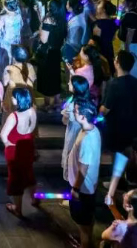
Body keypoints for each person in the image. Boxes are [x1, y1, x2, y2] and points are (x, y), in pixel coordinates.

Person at [102, 50, 137, 207]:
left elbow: (106, 109)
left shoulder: (114, 84)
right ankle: (128, 180)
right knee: (128, 152)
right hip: (132, 125)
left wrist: (99, 111)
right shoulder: (135, 82)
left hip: (115, 125)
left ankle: (116, 182)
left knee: (116, 154)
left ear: (117, 63)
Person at [67, 99, 101, 248]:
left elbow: (83, 169)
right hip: (88, 186)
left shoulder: (88, 140)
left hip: (83, 189)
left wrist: (75, 189)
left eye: (75, 111)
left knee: (83, 225)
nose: (73, 112)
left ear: (83, 116)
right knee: (87, 220)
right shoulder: (91, 129)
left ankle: (85, 244)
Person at [1, 87, 37, 217]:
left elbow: (3, 135)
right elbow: (32, 129)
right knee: (29, 172)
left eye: (14, 97)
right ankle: (34, 199)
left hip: (15, 149)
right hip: (27, 147)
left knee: (15, 178)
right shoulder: (32, 111)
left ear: (18, 100)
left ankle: (17, 209)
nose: (11, 98)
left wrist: (7, 144)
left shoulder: (14, 116)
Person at [35, 0, 66, 111]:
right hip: (56, 52)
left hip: (47, 53)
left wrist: (40, 30)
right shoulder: (62, 19)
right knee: (55, 77)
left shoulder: (49, 19)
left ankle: (47, 104)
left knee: (46, 78)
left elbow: (44, 39)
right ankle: (57, 102)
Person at [62, 76, 91, 183]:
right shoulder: (89, 102)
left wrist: (65, 116)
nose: (68, 84)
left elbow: (65, 121)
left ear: (75, 88)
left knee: (72, 158)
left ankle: (73, 183)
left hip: (73, 134)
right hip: (85, 134)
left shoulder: (72, 104)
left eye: (70, 83)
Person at [0, 45, 35, 115]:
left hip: (13, 99)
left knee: (11, 118)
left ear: (13, 57)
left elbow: (5, 83)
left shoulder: (9, 68)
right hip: (27, 98)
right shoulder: (30, 66)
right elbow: (33, 81)